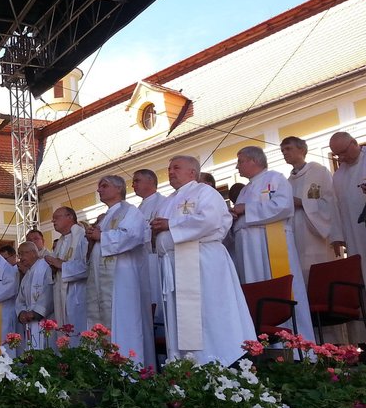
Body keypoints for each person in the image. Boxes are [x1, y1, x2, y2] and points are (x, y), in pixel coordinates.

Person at [150, 156, 256, 366]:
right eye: (169, 168)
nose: (171, 172)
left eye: (176, 167)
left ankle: (218, 361)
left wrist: (171, 225)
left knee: (209, 313)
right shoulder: (168, 200)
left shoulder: (204, 192)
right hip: (175, 264)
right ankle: (188, 365)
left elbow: (211, 221)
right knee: (182, 318)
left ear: (192, 172)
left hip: (202, 262)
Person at [230, 145, 316, 342]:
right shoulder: (244, 190)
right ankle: (265, 347)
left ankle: (295, 346)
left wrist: (245, 209)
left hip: (270, 245)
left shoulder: (275, 178)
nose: (237, 167)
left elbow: (283, 206)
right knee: (256, 292)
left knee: (281, 292)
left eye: (240, 161)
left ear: (254, 161)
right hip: (248, 250)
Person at [85, 174, 153, 364]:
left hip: (121, 280)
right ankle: (105, 368)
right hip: (103, 280)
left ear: (118, 189)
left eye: (104, 186)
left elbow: (132, 236)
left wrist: (101, 236)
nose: (99, 190)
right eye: (99, 187)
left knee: (123, 322)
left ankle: (128, 368)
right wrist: (94, 237)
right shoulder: (105, 217)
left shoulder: (130, 211)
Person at [329, 132, 366, 340]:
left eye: (343, 153)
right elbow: (335, 208)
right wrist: (337, 235)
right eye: (336, 156)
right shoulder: (339, 176)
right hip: (356, 237)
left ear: (354, 143)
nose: (341, 159)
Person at [280, 136, 342, 281]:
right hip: (297, 238)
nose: (284, 153)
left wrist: (336, 236)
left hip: (318, 236)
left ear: (302, 149)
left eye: (288, 149)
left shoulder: (319, 171)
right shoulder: (288, 182)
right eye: (282, 150)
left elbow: (331, 202)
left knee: (323, 279)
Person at [46, 208, 88, 342]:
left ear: (70, 217)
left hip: (77, 295)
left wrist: (62, 265)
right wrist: (53, 267)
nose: (53, 221)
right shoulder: (61, 241)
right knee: (63, 333)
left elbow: (87, 266)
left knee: (77, 333)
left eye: (56, 217)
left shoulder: (82, 237)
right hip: (61, 294)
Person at [133, 169, 167, 324]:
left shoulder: (162, 202)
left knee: (156, 298)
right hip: (140, 260)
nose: (133, 184)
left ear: (151, 181)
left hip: (154, 259)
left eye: (137, 180)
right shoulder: (138, 208)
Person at [15, 241, 54, 350]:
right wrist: (21, 312)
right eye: (19, 254)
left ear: (33, 253)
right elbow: (21, 298)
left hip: (44, 319)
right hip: (29, 322)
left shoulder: (45, 267)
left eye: (23, 253)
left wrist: (36, 312)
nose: (21, 258)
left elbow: (49, 291)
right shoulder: (27, 274)